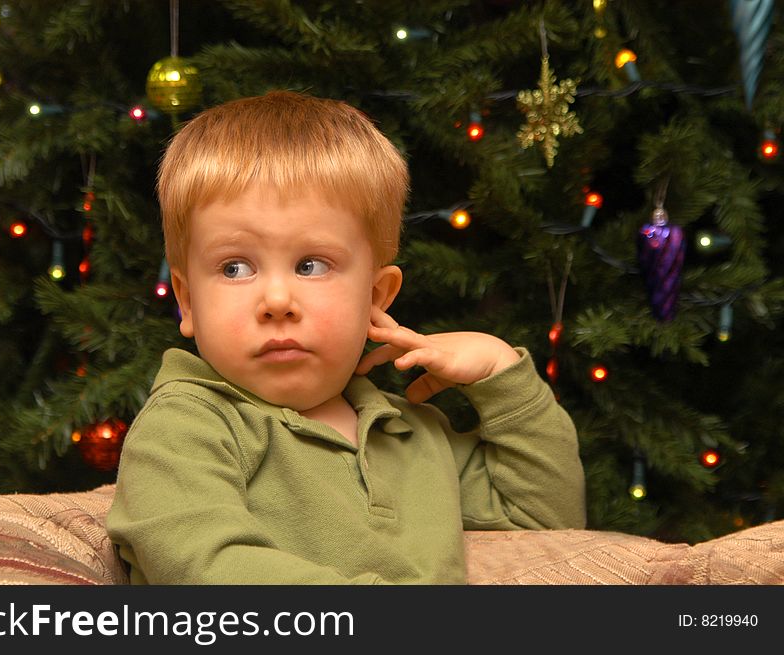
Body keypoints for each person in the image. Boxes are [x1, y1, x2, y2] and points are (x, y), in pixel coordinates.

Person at [106, 90, 585, 584]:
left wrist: (501, 373)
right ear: (187, 301)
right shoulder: (186, 426)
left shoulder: (413, 434)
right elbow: (205, 568)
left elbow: (548, 521)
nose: (276, 300)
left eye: (311, 265)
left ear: (376, 296)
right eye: (235, 267)